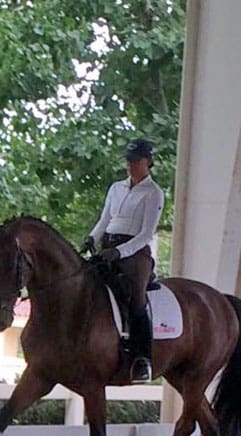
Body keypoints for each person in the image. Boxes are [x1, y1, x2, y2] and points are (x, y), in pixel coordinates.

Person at [80, 138, 164, 383]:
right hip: (108, 246)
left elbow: (146, 234)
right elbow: (105, 220)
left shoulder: (154, 193)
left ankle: (142, 360)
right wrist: (91, 238)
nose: (130, 165)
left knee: (136, 299)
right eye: (128, 161)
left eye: (135, 161)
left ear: (148, 162)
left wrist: (120, 252)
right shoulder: (116, 188)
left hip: (135, 254)